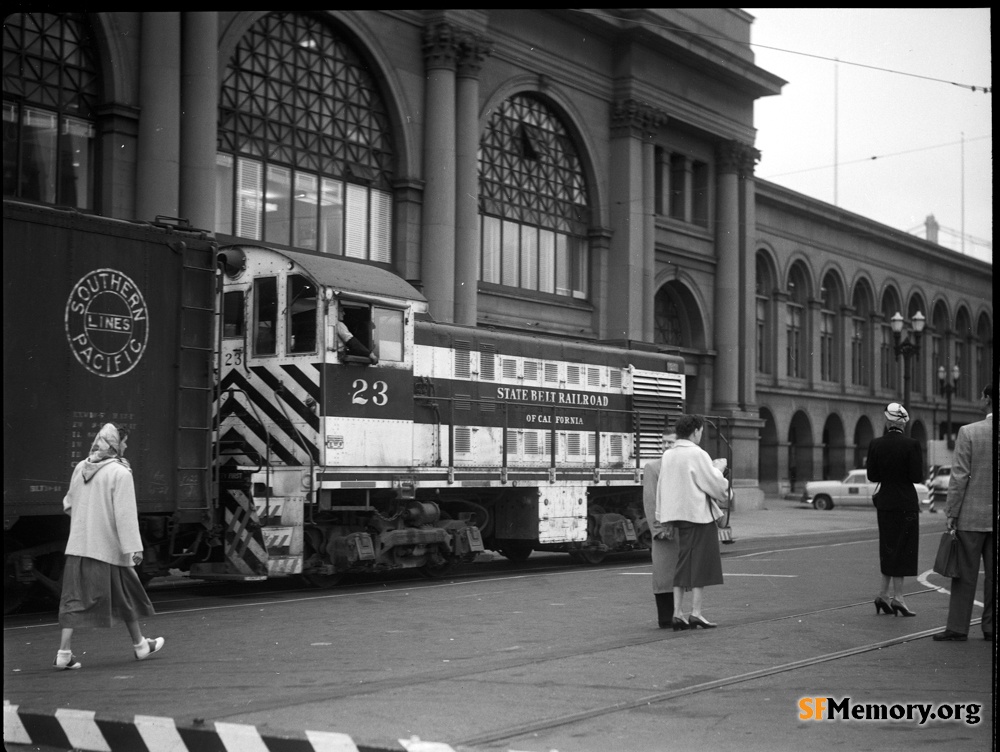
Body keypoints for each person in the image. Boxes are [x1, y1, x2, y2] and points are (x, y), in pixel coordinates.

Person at [54, 423, 164, 670]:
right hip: (108, 550)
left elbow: (68, 504)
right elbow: (125, 516)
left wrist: (87, 524)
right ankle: (140, 646)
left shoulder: (81, 468)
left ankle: (64, 653)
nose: (125, 446)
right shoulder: (121, 473)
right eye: (123, 442)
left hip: (78, 548)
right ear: (115, 445)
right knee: (126, 597)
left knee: (72, 600)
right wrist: (134, 548)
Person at [655, 414, 731, 630]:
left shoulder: (669, 455)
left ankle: (678, 613)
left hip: (677, 516)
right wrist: (719, 469)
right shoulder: (698, 454)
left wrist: (662, 516)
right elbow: (713, 484)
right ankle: (695, 612)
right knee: (702, 564)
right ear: (696, 431)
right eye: (700, 432)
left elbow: (663, 486)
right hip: (698, 515)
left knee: (683, 562)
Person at [934, 383, 995, 642]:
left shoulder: (969, 432)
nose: (980, 398)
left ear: (989, 399)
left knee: (965, 575)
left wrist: (951, 511)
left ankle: (958, 627)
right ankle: (991, 627)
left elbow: (959, 476)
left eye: (982, 395)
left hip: (971, 516)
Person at [866, 402, 923, 617]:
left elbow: (873, 476)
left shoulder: (875, 444)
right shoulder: (912, 444)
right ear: (903, 422)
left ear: (887, 421)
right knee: (904, 549)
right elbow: (916, 477)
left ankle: (883, 594)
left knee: (888, 547)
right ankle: (898, 597)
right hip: (906, 502)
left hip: (886, 502)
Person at [642, 430, 679, 628]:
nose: (666, 446)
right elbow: (649, 501)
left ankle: (678, 614)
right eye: (664, 442)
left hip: (681, 529)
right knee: (663, 575)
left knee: (679, 575)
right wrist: (656, 529)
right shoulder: (653, 467)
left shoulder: (682, 466)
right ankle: (665, 618)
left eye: (670, 442)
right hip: (664, 530)